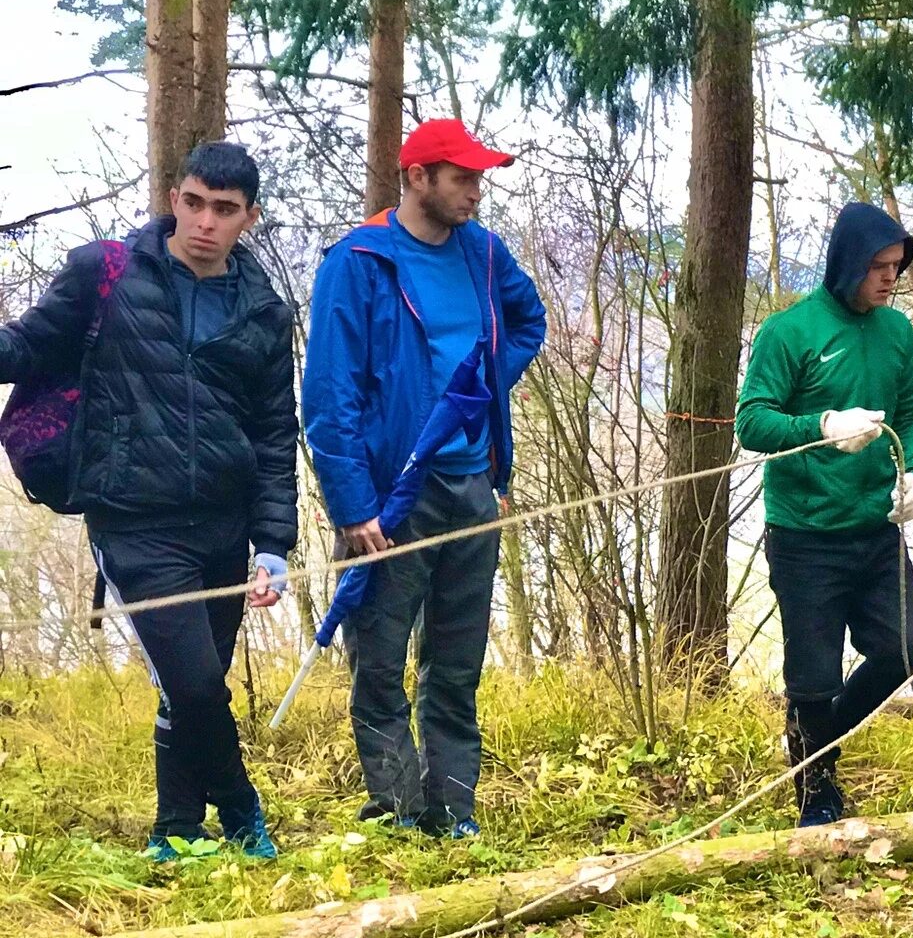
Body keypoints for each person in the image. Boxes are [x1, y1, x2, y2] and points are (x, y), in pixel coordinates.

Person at [0, 143, 296, 860]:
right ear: (174, 196)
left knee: (192, 686)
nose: (204, 221)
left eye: (224, 210)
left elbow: (273, 434)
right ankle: (243, 811)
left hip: (223, 524)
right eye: (193, 202)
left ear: (248, 218)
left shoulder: (263, 312)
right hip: (133, 517)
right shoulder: (106, 274)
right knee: (196, 684)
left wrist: (274, 545)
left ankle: (175, 830)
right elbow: (24, 348)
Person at [303, 118, 547, 839]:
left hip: (474, 486)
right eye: (463, 177)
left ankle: (453, 809)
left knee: (457, 661)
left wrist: (484, 391)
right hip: (390, 497)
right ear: (417, 178)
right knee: (379, 662)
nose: (476, 191)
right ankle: (401, 808)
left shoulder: (483, 252)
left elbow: (526, 321)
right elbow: (329, 396)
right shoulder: (359, 261)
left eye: (479, 177)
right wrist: (353, 506)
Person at [735, 201, 913, 827]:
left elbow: (912, 414)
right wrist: (820, 425)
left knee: (906, 650)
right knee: (813, 675)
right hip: (806, 532)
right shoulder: (789, 332)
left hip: (876, 528)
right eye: (878, 268)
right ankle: (817, 790)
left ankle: (812, 748)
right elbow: (751, 420)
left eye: (897, 268)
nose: (888, 280)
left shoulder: (897, 333)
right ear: (847, 264)